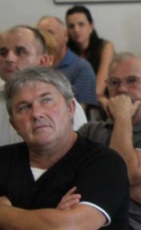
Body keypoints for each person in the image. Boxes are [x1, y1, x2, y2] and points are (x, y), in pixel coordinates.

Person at [0, 67, 129, 229]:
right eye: (24, 107)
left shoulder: (105, 163)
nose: (37, 114)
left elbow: (68, 226)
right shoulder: (3, 159)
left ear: (71, 108)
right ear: (14, 125)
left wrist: (4, 213)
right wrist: (52, 218)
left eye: (46, 100)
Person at [79, 52, 141, 230]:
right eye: (114, 83)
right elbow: (66, 177)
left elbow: (127, 173)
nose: (122, 89)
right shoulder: (90, 131)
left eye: (132, 81)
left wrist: (122, 117)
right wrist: (128, 190)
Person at [0, 25, 87, 146]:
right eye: (3, 53)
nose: (9, 59)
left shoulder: (64, 104)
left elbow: (80, 151)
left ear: (43, 61)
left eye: (20, 52)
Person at [37, 16, 97, 109]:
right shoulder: (33, 66)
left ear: (65, 36)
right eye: (40, 35)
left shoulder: (81, 68)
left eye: (50, 33)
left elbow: (81, 111)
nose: (45, 39)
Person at [66, 5, 115, 114]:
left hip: (102, 102)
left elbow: (98, 89)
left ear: (91, 26)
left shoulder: (105, 47)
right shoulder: (65, 51)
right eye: (71, 26)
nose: (76, 30)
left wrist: (98, 97)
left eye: (81, 24)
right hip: (74, 102)